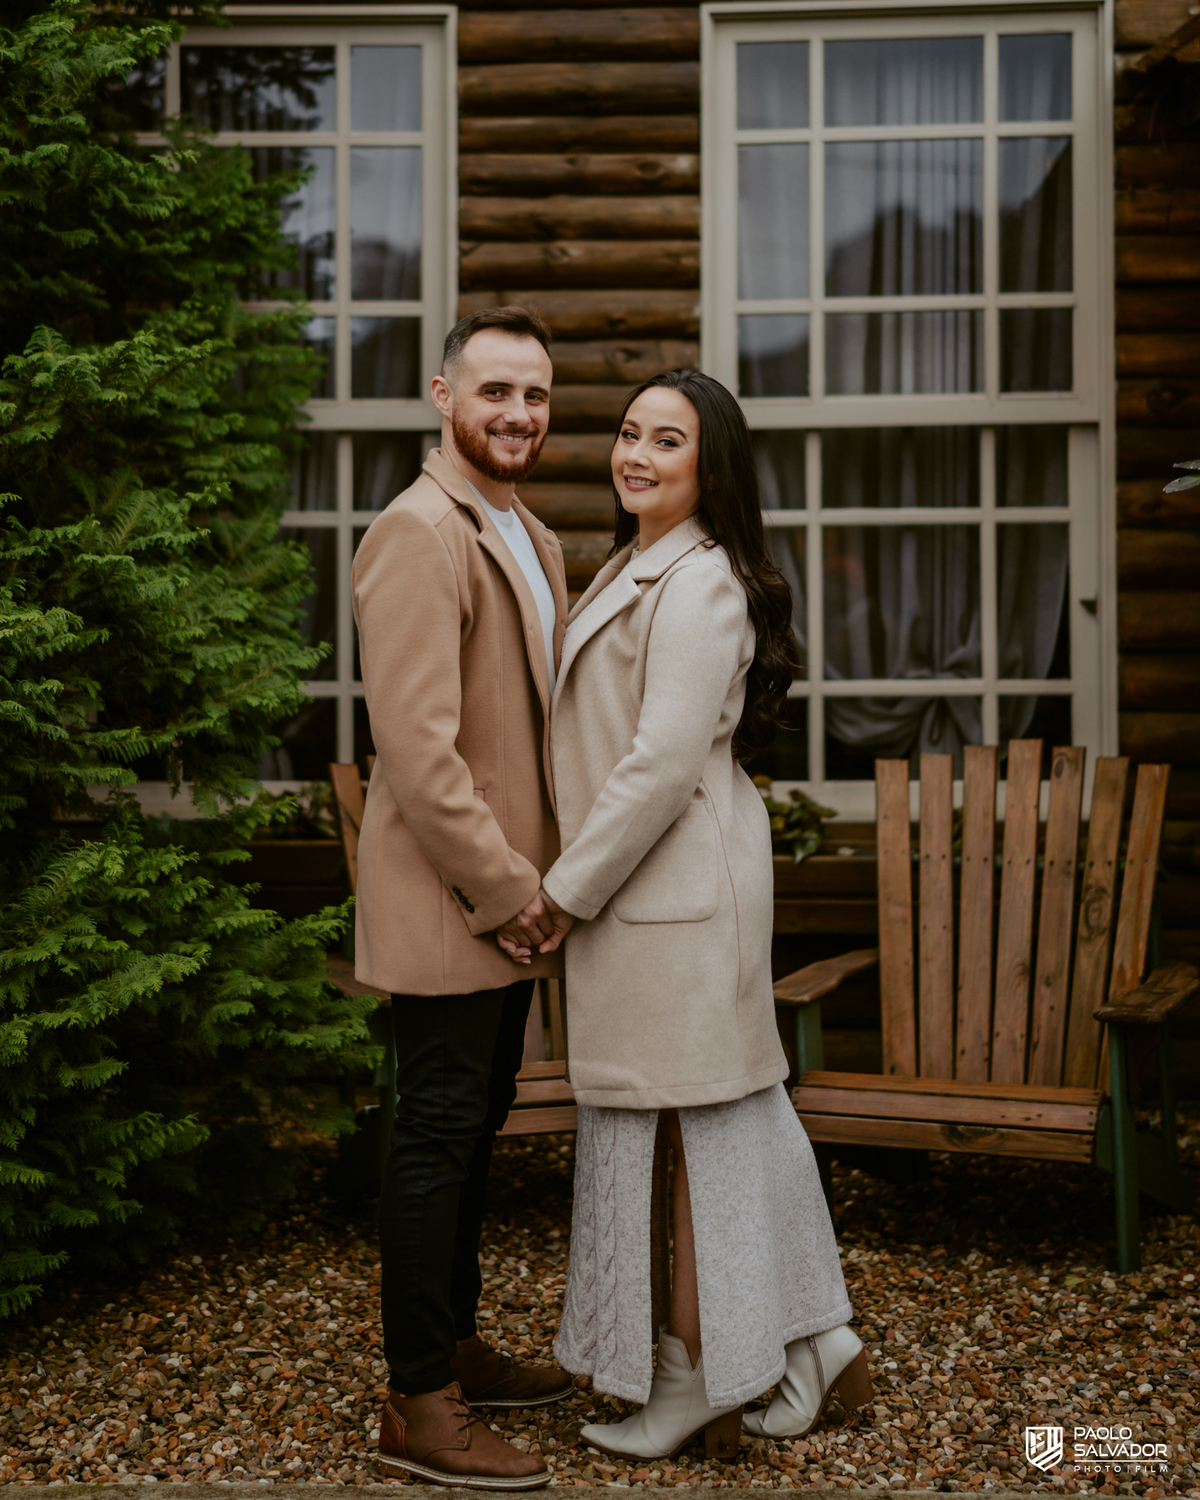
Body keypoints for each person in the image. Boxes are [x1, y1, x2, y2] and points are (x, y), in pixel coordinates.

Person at [497, 370, 872, 1460]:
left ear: (713, 466)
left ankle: (696, 1374)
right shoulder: (634, 563)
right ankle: (812, 1335)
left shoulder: (701, 583)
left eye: (668, 440)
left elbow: (660, 765)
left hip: (675, 893)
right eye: (629, 434)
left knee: (690, 1134)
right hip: (657, 888)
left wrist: (562, 892)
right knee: (722, 1123)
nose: (637, 455)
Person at [353, 307, 575, 1490]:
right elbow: (420, 754)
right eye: (495, 391)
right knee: (435, 1139)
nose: (518, 413)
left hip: (513, 903)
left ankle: (455, 1347)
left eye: (534, 393)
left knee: (476, 1126)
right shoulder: (416, 531)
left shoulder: (530, 533)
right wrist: (507, 890)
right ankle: (416, 1401)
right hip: (457, 900)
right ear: (443, 397)